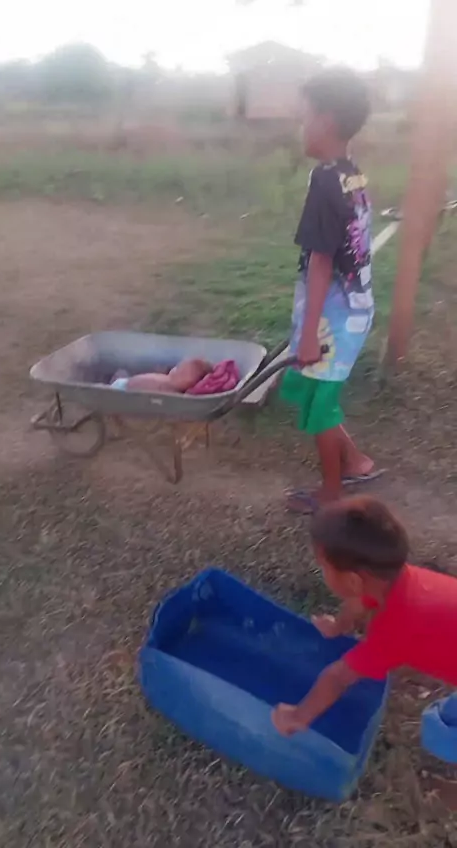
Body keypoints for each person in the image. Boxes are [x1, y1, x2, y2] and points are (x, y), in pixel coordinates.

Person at [281, 67, 383, 514]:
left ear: (325, 122)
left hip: (332, 317)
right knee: (317, 391)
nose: (300, 126)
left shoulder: (324, 180)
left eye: (304, 116)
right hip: (352, 307)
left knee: (321, 406)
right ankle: (356, 461)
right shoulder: (350, 173)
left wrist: (309, 335)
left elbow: (322, 259)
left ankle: (331, 494)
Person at [272, 496, 457, 741]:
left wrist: (298, 716)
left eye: (324, 568)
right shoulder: (398, 579)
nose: (323, 573)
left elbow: (338, 677)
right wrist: (338, 626)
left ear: (352, 580)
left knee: (442, 741)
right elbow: (357, 602)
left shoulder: (395, 628)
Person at [110, 358, 212, 393]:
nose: (179, 372)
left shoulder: (171, 393)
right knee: (121, 373)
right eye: (179, 368)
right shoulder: (169, 379)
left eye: (184, 374)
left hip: (122, 392)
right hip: (125, 382)